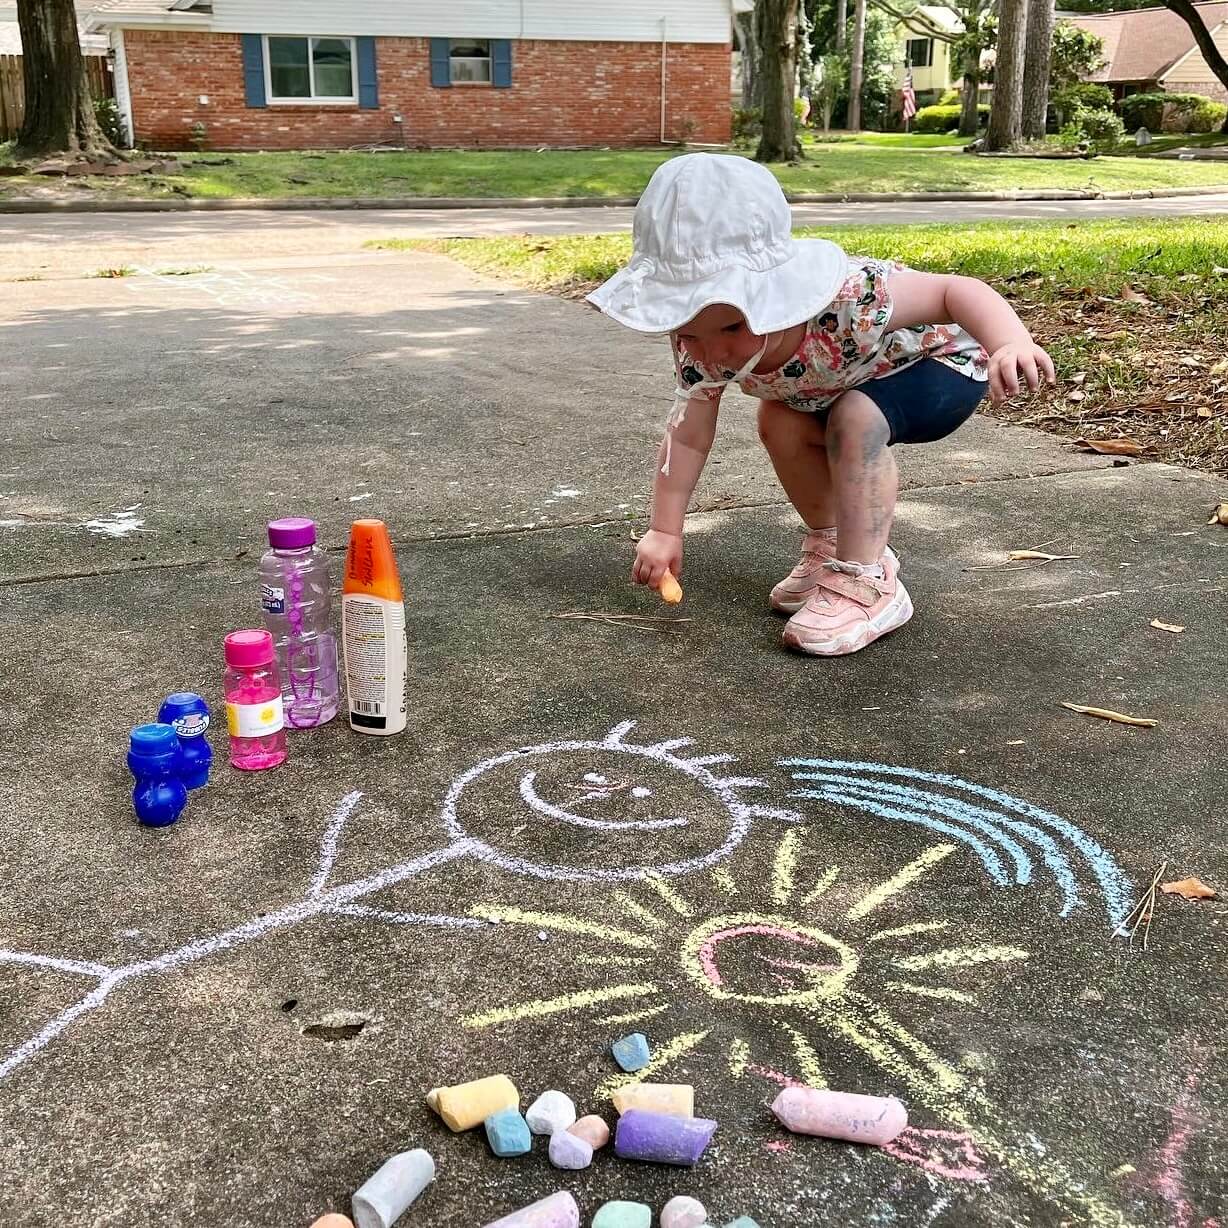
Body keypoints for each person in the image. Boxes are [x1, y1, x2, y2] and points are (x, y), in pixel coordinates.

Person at [586, 154, 1055, 656]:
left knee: (856, 417)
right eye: (686, 330)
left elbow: (956, 289)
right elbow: (687, 434)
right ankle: (833, 545)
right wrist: (664, 528)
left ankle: (868, 581)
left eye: (732, 327)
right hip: (835, 388)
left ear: (773, 294)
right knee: (779, 420)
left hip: (938, 367)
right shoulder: (701, 345)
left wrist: (1010, 342)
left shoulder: (849, 300)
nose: (711, 352)